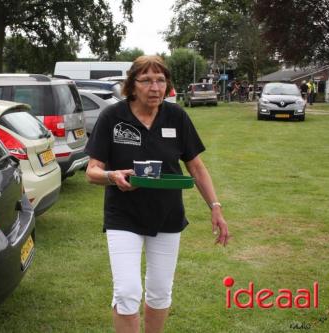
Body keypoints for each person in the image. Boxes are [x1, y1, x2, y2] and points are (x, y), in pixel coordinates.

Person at [85, 55, 229, 333]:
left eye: (161, 80)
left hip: (167, 216)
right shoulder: (112, 117)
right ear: (132, 85)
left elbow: (196, 167)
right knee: (127, 293)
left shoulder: (176, 116)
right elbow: (92, 171)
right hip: (123, 216)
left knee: (160, 291)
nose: (155, 88)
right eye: (147, 81)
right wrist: (112, 177)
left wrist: (215, 206)